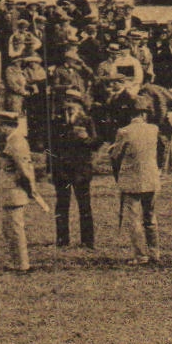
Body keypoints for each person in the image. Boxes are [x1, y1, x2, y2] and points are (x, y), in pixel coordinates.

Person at [109, 96, 161, 265]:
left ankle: (140, 255)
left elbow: (115, 155)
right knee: (150, 217)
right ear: (145, 114)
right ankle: (155, 252)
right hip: (151, 178)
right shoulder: (154, 129)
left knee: (134, 219)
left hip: (132, 180)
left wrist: (112, 149)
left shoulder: (124, 132)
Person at [50, 86, 99, 249]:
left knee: (84, 206)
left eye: (73, 101)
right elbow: (50, 148)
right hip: (61, 170)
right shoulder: (56, 121)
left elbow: (95, 143)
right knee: (62, 206)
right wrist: (51, 170)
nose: (69, 104)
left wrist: (86, 139)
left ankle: (87, 241)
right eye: (67, 101)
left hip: (81, 170)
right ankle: (62, 240)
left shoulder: (87, 121)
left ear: (80, 104)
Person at [0, 108, 44, 273]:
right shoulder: (12, 140)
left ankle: (22, 264)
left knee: (15, 229)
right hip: (10, 191)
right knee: (9, 228)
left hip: (15, 191)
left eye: (1, 125)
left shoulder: (16, 142)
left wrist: (31, 189)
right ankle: (16, 262)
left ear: (8, 126)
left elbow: (24, 169)